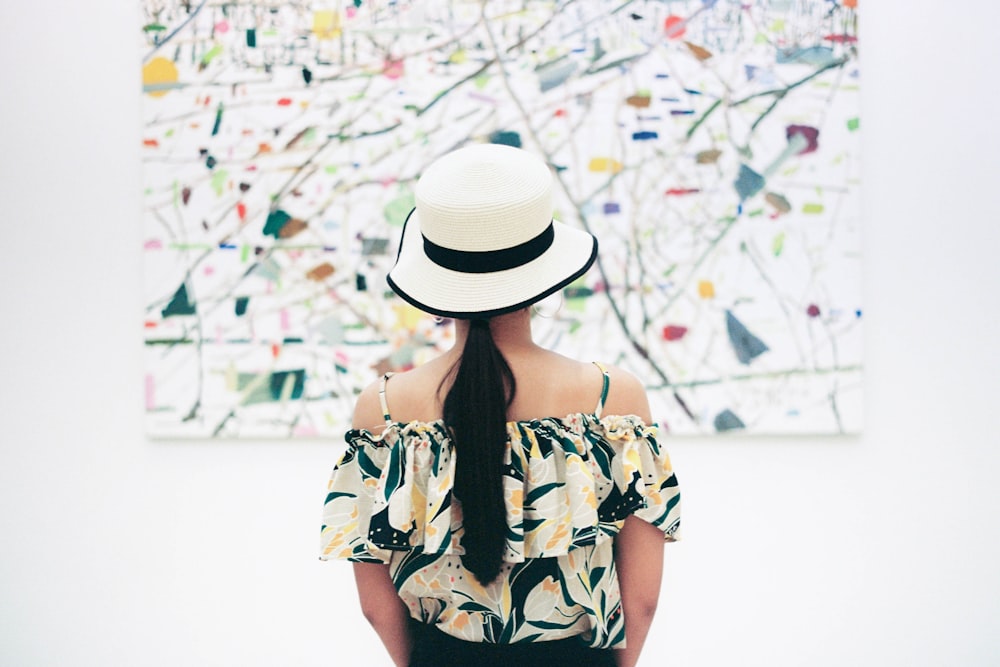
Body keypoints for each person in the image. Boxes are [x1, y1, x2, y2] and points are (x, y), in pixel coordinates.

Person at [319, 143, 680, 667]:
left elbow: (376, 605)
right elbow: (640, 601)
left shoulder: (383, 411)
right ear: (542, 267)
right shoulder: (612, 400)